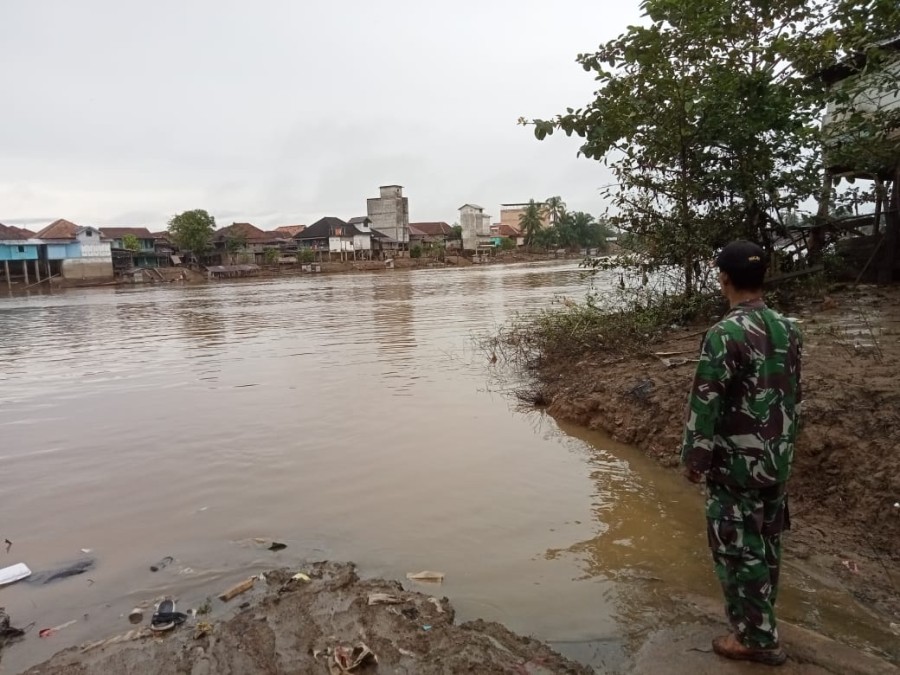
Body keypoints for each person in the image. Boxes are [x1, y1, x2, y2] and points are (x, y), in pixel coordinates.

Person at [680, 240, 802, 667]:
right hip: (776, 459)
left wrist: (695, 460)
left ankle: (756, 637)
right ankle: (761, 621)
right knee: (767, 543)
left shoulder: (724, 334)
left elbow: (705, 401)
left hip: (736, 466)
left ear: (724, 278)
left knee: (738, 548)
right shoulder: (789, 327)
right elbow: (792, 394)